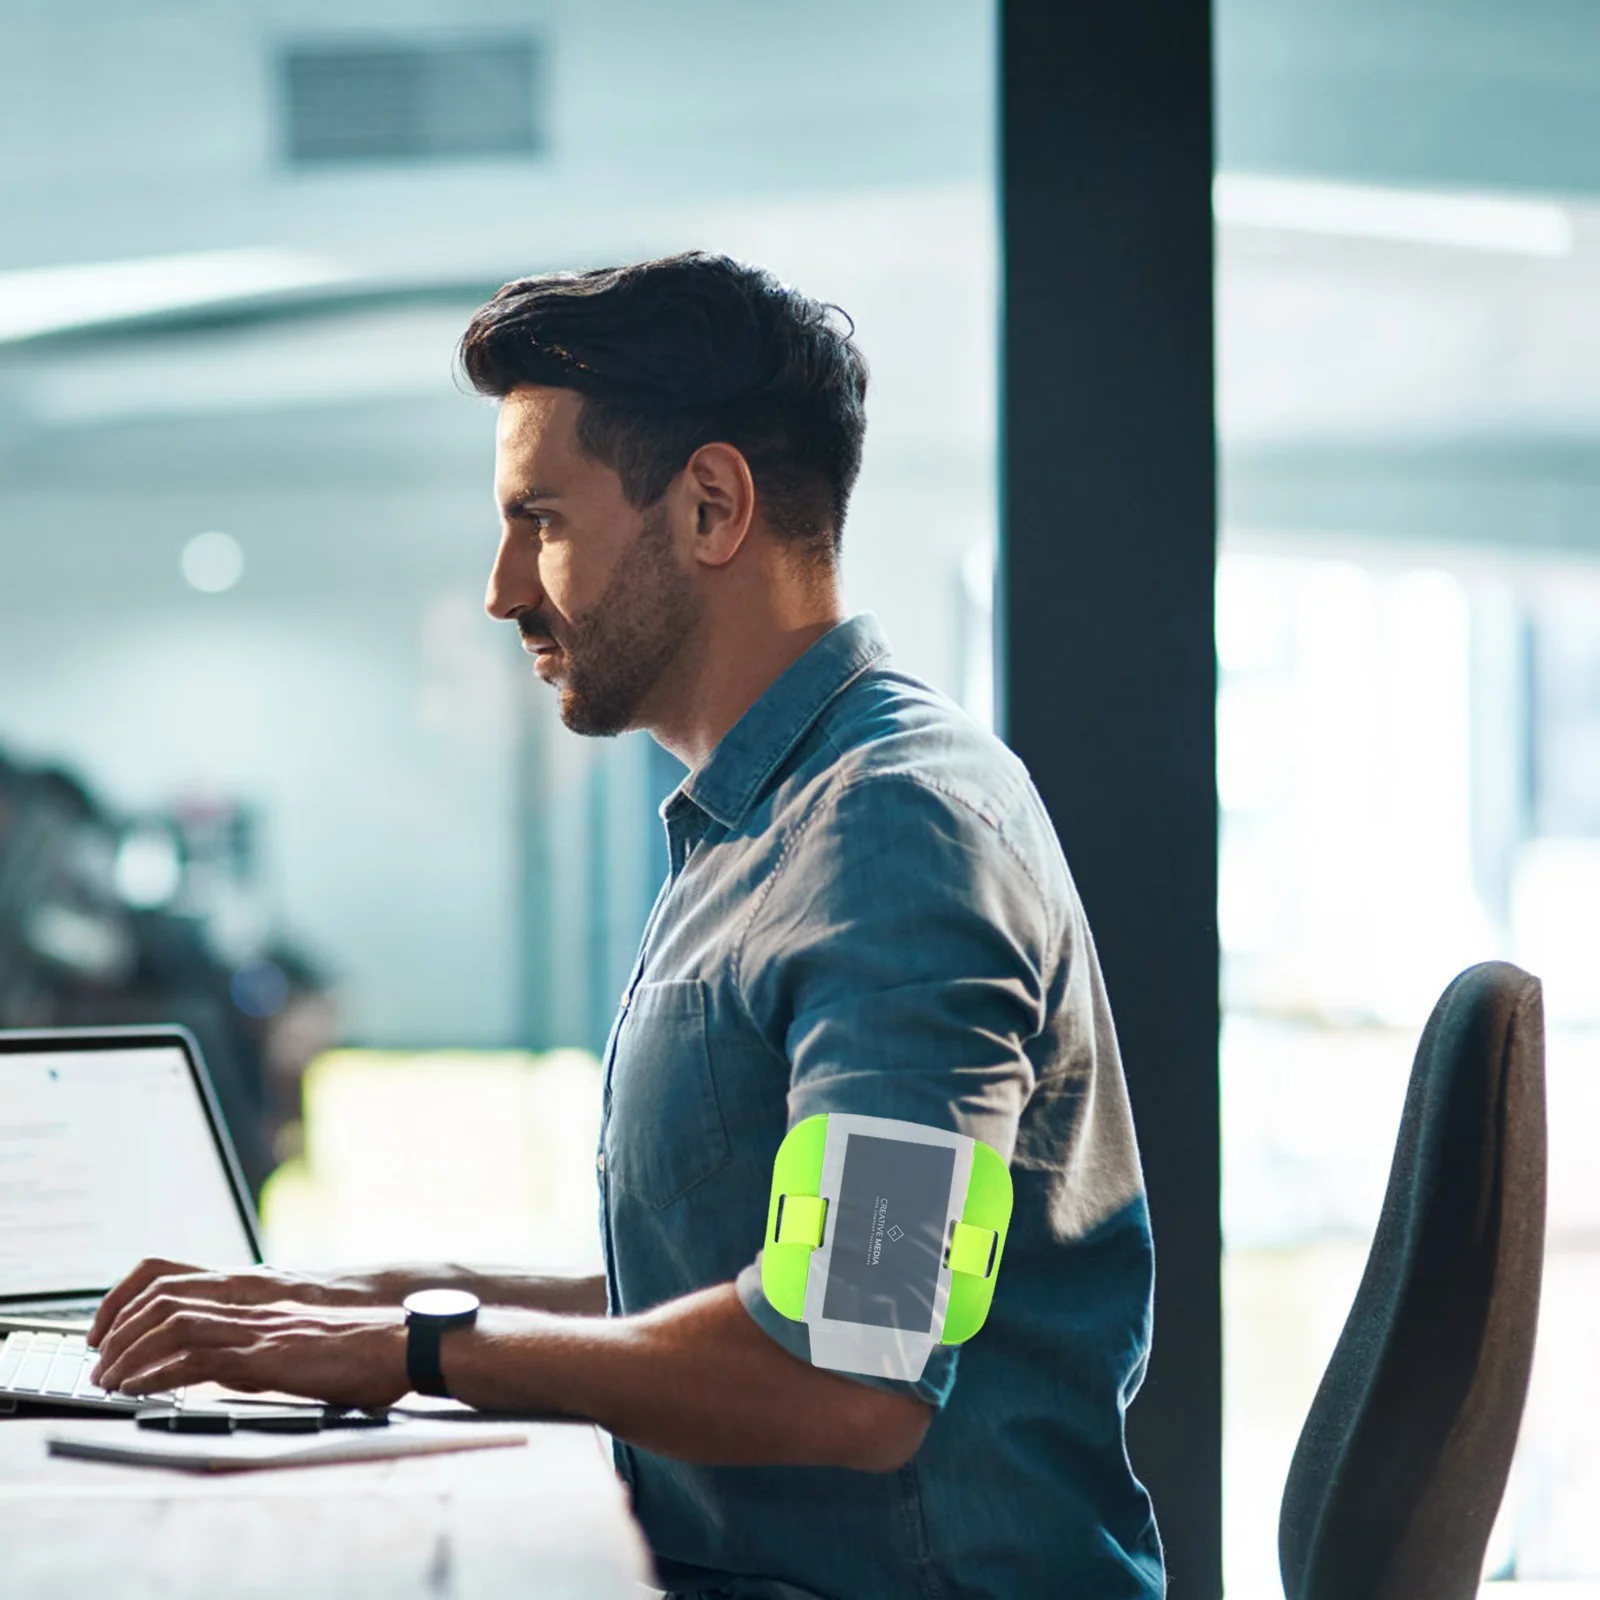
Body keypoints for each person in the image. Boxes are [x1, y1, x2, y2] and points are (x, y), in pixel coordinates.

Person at [89, 253, 1165, 1599]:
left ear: (711, 504)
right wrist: (353, 1302)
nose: (500, 589)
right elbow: (738, 1289)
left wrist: (413, 1353)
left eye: (538, 519)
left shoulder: (900, 836)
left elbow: (848, 1364)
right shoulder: (760, 825)